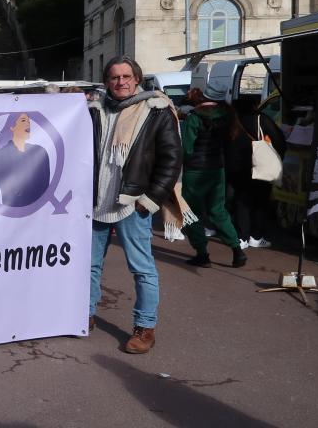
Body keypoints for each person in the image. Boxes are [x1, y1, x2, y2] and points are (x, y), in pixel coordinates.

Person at [89, 56, 186, 355]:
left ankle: (145, 327)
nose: (121, 82)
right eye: (115, 77)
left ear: (137, 79)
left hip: (133, 204)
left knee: (142, 269)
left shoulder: (156, 110)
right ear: (107, 81)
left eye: (126, 76)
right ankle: (85, 314)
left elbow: (172, 160)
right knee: (89, 267)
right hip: (95, 204)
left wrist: (151, 200)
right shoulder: (93, 109)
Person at [180, 86, 247, 268]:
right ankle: (237, 251)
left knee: (191, 214)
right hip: (217, 170)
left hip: (195, 172)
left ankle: (202, 254)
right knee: (218, 211)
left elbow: (186, 148)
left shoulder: (194, 118)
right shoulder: (226, 116)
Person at [226, 98, 286, 249]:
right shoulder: (261, 119)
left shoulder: (232, 120)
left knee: (241, 201)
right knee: (260, 202)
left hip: (236, 166)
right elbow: (279, 140)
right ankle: (256, 236)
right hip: (259, 165)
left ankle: (242, 237)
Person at [0, 113, 51, 207]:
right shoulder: (1, 156)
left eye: (28, 121)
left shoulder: (40, 152)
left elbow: (46, 191)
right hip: (13, 218)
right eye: (23, 121)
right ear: (12, 127)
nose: (28, 124)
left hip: (39, 216)